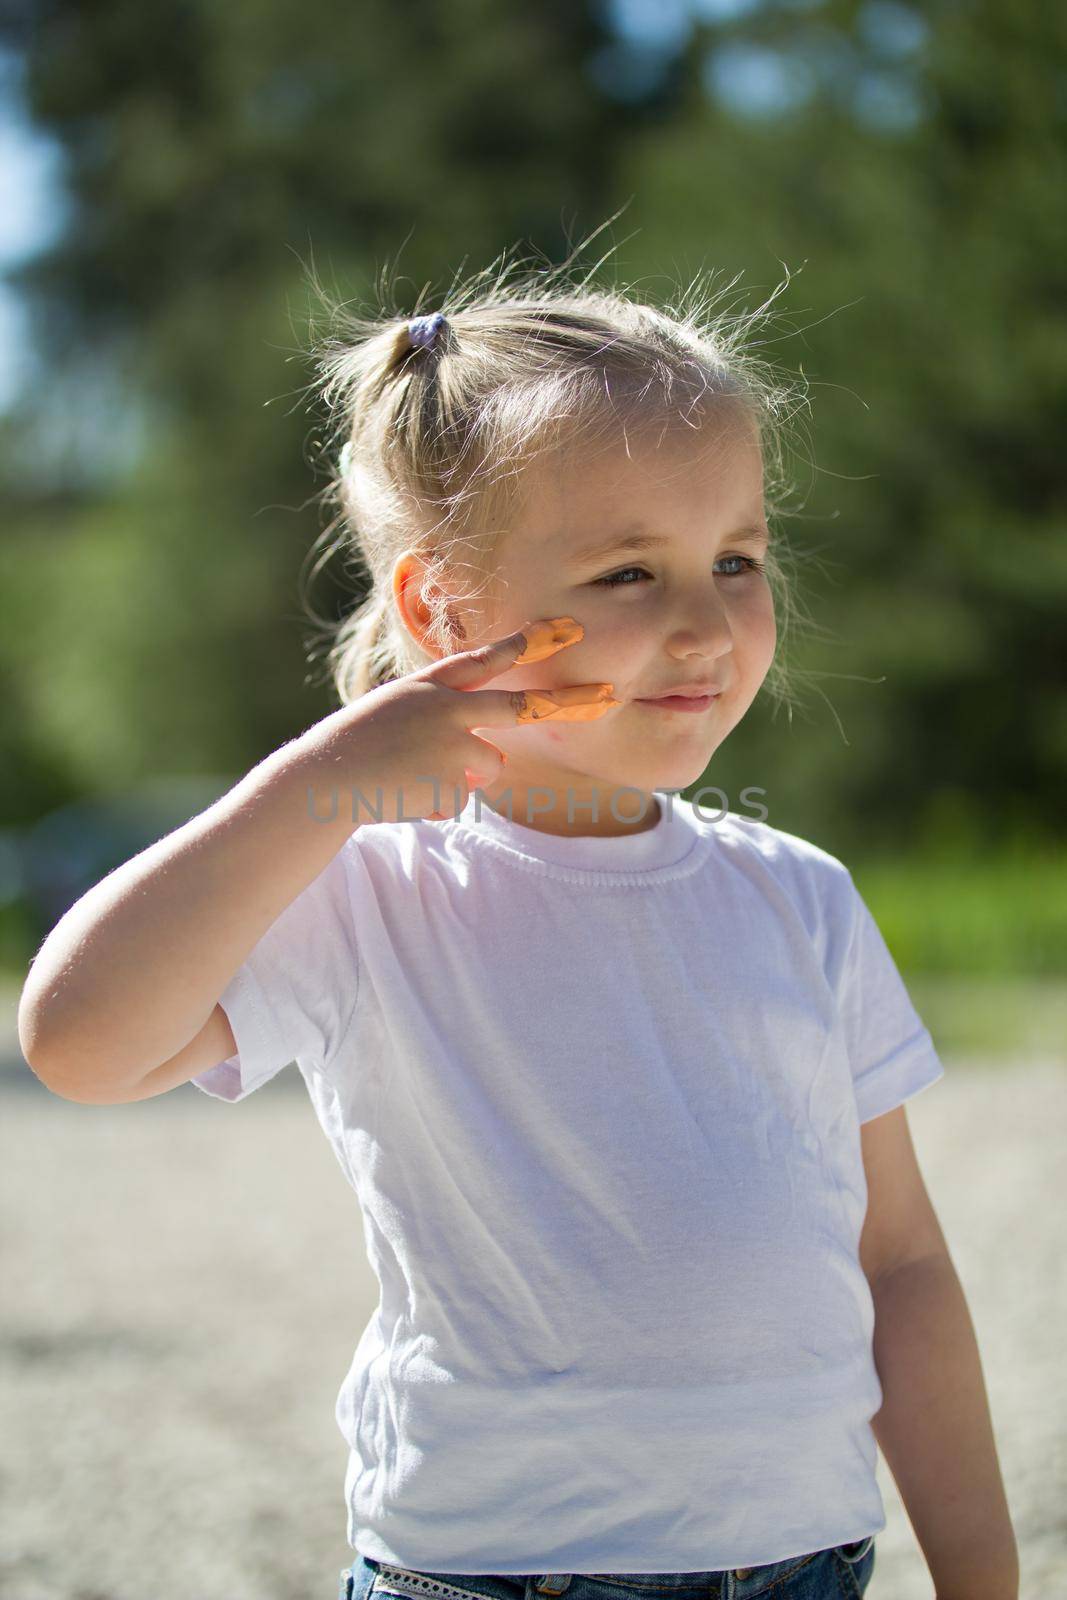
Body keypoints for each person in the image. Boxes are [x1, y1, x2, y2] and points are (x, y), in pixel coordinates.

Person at [18, 249, 1018, 1600]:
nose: (706, 624)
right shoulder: (374, 890)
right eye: (626, 575)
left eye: (736, 558)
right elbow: (77, 1043)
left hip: (804, 1564)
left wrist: (981, 1575)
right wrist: (323, 780)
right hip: (495, 1575)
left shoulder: (800, 899)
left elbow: (898, 1263)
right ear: (442, 611)